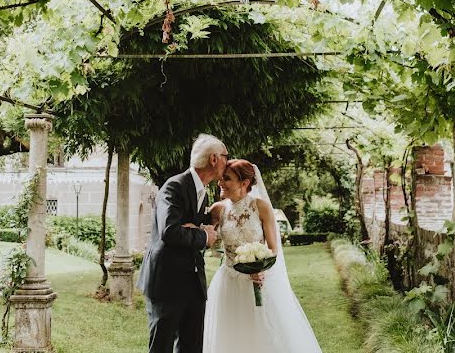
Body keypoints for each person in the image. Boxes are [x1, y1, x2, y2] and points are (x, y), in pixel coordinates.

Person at [203, 159, 323, 353]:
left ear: (245, 183)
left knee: (262, 332)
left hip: (257, 280)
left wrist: (261, 269)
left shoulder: (261, 207)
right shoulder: (218, 209)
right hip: (228, 281)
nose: (220, 182)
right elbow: (207, 236)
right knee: (230, 334)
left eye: (227, 178)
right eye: (221, 178)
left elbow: (273, 249)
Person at [137, 134, 229, 353]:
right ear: (214, 159)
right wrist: (204, 236)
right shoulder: (174, 186)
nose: (228, 161)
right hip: (166, 283)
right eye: (226, 156)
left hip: (193, 283)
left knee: (192, 347)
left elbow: (186, 229)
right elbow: (170, 231)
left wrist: (203, 223)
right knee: (162, 347)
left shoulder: (203, 193)